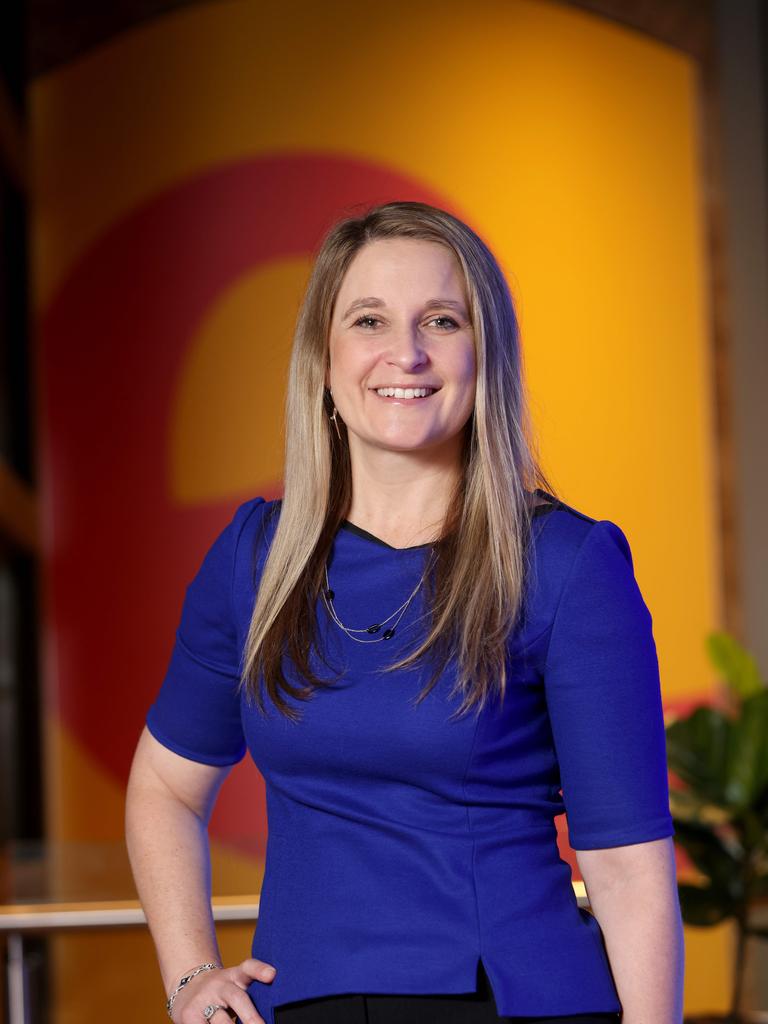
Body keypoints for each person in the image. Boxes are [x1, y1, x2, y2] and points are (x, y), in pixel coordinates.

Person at [126, 200, 685, 1024]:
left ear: (483, 352)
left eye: (442, 320)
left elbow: (628, 866)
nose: (407, 353)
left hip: (506, 1000)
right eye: (369, 319)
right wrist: (188, 977)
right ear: (323, 357)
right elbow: (164, 789)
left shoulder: (564, 565)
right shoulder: (254, 559)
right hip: (302, 1002)